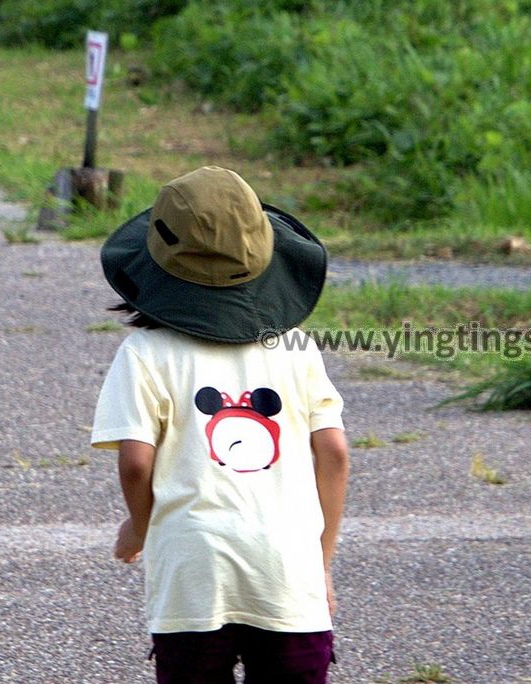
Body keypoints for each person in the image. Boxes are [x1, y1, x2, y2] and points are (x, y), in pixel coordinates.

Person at [91, 166, 350, 684]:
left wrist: (139, 527)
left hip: (193, 574)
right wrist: (318, 563)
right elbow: (336, 455)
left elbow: (137, 462)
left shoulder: (143, 354)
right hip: (286, 571)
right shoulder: (296, 348)